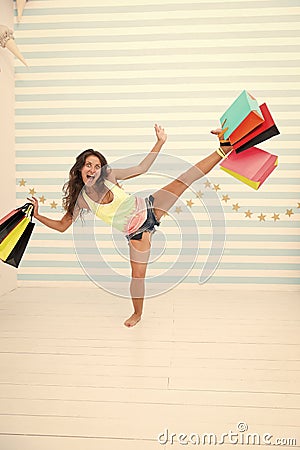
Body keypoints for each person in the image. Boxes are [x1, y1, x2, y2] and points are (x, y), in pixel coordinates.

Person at [28, 124, 232, 327]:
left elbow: (142, 168)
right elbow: (63, 225)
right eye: (88, 165)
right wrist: (37, 215)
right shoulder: (81, 201)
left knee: (183, 180)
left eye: (97, 166)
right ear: (80, 168)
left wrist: (159, 142)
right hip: (136, 233)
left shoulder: (110, 176)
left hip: (149, 207)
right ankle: (137, 313)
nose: (93, 169)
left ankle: (224, 148)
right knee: (137, 277)